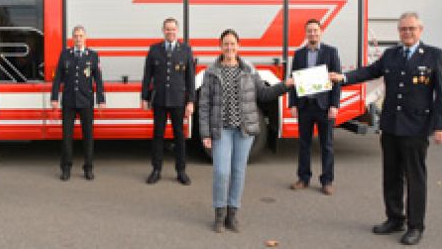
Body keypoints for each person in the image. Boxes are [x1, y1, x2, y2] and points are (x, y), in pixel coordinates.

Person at [330, 12, 442, 245]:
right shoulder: (391, 55)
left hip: (416, 128)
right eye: (403, 29)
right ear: (399, 31)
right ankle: (395, 218)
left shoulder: (435, 55)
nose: (407, 33)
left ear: (420, 30)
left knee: (415, 178)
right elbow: (369, 72)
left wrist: (441, 125)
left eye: (411, 29)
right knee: (391, 176)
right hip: (391, 126)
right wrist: (342, 77)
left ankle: (416, 226)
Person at [199, 29, 293, 232]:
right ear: (220, 46)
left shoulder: (249, 70)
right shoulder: (211, 72)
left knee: (239, 172)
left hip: (244, 131)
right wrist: (205, 133)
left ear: (239, 46)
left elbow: (264, 94)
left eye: (233, 44)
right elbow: (204, 104)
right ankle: (219, 214)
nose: (229, 47)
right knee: (221, 172)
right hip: (221, 129)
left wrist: (285, 85)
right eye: (226, 44)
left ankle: (232, 215)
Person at [289, 19, 341, 195]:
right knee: (304, 144)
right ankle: (303, 178)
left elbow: (336, 81)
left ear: (321, 32)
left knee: (326, 145)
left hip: (324, 106)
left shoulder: (331, 52)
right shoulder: (299, 55)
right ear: (305, 33)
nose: (312, 34)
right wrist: (293, 104)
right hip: (305, 106)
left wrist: (334, 105)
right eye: (309, 31)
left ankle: (327, 181)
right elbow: (293, 80)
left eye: (315, 31)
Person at [141, 17, 195, 185]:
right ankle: (156, 170)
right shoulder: (154, 50)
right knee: (158, 136)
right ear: (163, 30)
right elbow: (147, 76)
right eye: (167, 29)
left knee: (179, 136)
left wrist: (191, 101)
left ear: (177, 31)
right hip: (160, 100)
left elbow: (190, 78)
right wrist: (144, 97)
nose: (170, 32)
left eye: (173, 29)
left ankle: (181, 171)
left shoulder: (186, 50)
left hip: (178, 100)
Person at [51, 25, 105, 181]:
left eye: (81, 35)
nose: (78, 38)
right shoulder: (65, 54)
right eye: (75, 36)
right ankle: (66, 168)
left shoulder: (93, 56)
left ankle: (88, 168)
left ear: (85, 37)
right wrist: (54, 98)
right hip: (68, 101)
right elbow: (58, 78)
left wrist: (101, 99)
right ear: (72, 38)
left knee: (88, 137)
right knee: (67, 137)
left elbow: (98, 80)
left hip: (86, 101)